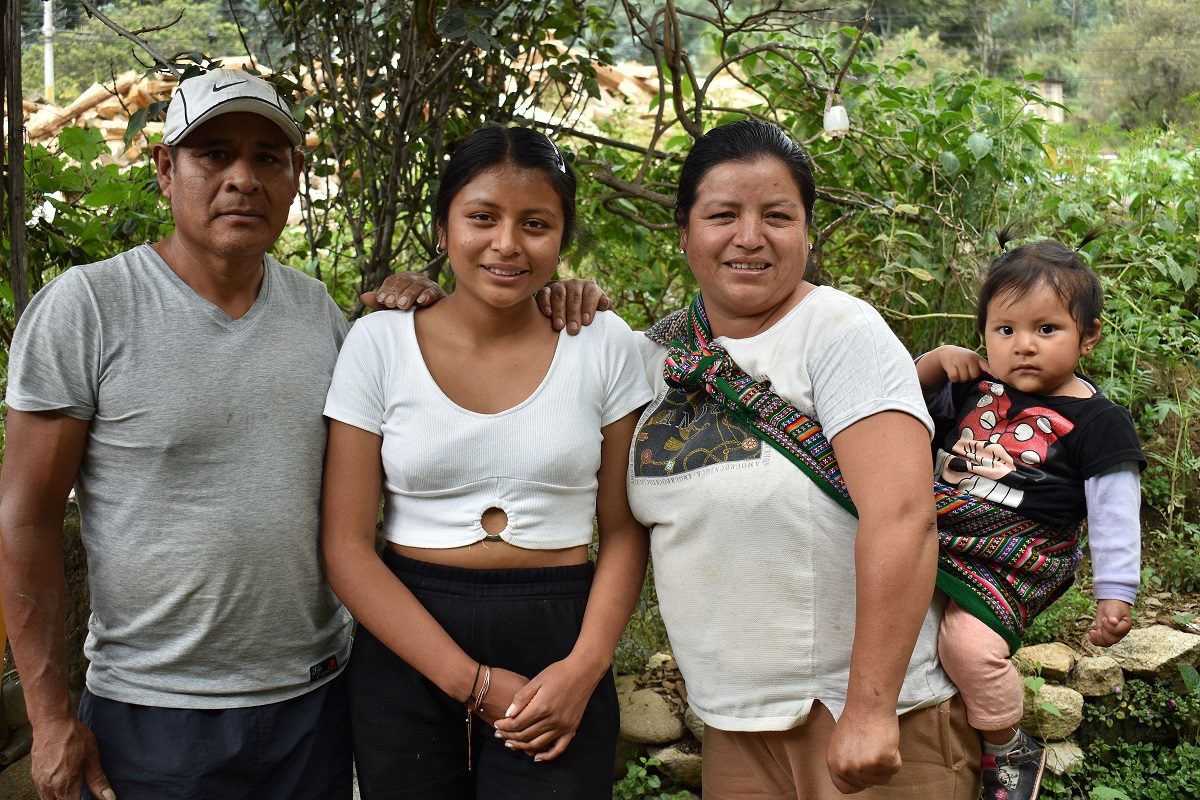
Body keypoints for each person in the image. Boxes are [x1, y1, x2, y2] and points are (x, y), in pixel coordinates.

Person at [374, 119, 979, 798]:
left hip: (860, 717)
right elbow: (528, 339)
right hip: (733, 727)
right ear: (686, 233)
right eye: (723, 215)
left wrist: (870, 710)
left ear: (806, 231)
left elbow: (903, 518)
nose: (749, 237)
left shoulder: (841, 333)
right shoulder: (653, 357)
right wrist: (445, 301)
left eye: (777, 216)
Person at [0, 68, 358, 800]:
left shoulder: (320, 312)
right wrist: (49, 718)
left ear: (295, 178)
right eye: (214, 154)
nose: (242, 180)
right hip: (153, 716)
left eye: (268, 158)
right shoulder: (89, 309)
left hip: (315, 701)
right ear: (166, 170)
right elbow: (24, 519)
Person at [319, 125, 652, 799]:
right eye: (481, 217)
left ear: (562, 238)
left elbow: (623, 531)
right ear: (443, 230)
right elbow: (346, 546)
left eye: (535, 223)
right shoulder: (378, 343)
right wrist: (468, 681)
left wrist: (585, 668)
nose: (506, 244)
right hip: (408, 640)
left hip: (559, 643)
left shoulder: (602, 344)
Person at [915, 227, 1144, 800]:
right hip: (943, 526)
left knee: (966, 647)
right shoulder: (971, 387)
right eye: (1006, 329)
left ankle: (1006, 743)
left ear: (1087, 336)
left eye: (1047, 329)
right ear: (984, 334)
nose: (1023, 345)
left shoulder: (1098, 421)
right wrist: (935, 364)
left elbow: (1115, 511)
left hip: (1021, 553)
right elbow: (892, 409)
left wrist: (1115, 590)